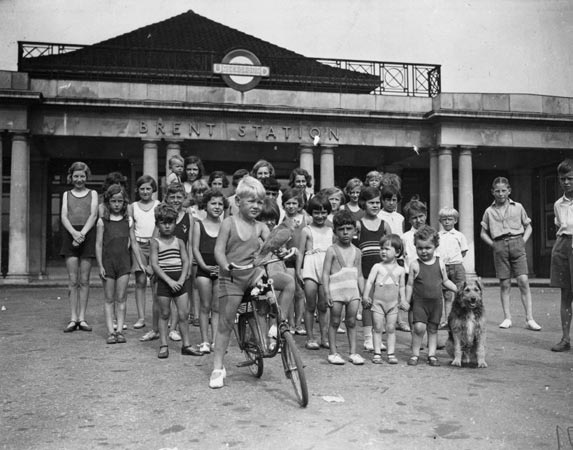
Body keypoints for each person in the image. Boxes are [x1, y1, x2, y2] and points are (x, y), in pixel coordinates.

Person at [209, 176, 270, 388]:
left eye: (260, 202)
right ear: (238, 202)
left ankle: (273, 330)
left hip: (252, 274)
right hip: (233, 276)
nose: (256, 206)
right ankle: (217, 367)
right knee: (225, 322)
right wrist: (225, 265)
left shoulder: (260, 226)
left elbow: (271, 245)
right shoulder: (228, 223)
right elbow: (218, 250)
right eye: (251, 201)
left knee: (285, 284)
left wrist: (283, 250)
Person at [480, 177, 541, 331]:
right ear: (492, 192)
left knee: (523, 280)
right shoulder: (489, 211)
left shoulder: (518, 207)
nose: (500, 194)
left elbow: (529, 227)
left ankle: (530, 318)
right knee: (505, 283)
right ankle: (507, 318)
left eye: (503, 190)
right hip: (500, 245)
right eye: (497, 191)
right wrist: (494, 244)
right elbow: (483, 233)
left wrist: (523, 241)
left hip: (517, 243)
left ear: (509, 191)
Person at [150, 203, 202, 359]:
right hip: (164, 283)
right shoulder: (155, 242)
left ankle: (186, 345)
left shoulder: (179, 241)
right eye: (163, 222)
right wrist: (168, 281)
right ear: (157, 224)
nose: (167, 226)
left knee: (184, 314)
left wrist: (182, 278)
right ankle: (164, 345)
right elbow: (154, 264)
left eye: (170, 222)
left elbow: (185, 261)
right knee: (164, 313)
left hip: (180, 281)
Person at [96, 185, 143, 344]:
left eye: (120, 201)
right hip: (108, 264)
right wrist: (100, 265)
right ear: (108, 202)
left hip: (124, 263)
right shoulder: (102, 222)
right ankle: (111, 332)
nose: (116, 204)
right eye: (113, 201)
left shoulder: (128, 220)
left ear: (124, 203)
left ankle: (120, 330)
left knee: (121, 298)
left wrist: (141, 263)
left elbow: (134, 243)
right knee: (109, 298)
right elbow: (98, 245)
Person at [404, 225, 457, 367]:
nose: (424, 251)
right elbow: (409, 285)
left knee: (433, 329)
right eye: (420, 248)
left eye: (428, 248)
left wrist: (457, 289)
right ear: (415, 247)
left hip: (436, 303)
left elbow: (445, 281)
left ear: (435, 247)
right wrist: (406, 301)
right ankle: (415, 354)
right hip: (420, 303)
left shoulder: (440, 263)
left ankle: (431, 354)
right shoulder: (414, 264)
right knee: (419, 328)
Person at [322, 210, 365, 365]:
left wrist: (364, 293)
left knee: (352, 321)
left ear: (354, 230)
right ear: (335, 231)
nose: (345, 232)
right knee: (334, 321)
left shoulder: (357, 252)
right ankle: (333, 352)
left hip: (352, 292)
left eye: (348, 228)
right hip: (337, 292)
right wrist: (326, 292)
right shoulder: (332, 250)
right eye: (341, 229)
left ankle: (353, 352)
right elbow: (325, 273)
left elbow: (359, 275)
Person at [61, 161, 99, 333]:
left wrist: (82, 234)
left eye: (82, 176)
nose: (79, 179)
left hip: (87, 234)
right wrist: (74, 234)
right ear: (71, 177)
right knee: (72, 280)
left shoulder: (93, 193)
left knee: (84, 280)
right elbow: (63, 216)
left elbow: (93, 214)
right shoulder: (66, 194)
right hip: (70, 234)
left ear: (86, 177)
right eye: (76, 176)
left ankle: (82, 318)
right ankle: (73, 317)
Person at [355, 187, 392, 351]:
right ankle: (368, 339)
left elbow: (391, 250)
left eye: (378, 202)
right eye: (371, 203)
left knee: (381, 305)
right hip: (364, 271)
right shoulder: (358, 224)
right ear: (363, 203)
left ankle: (378, 336)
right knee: (367, 303)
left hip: (382, 272)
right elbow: (354, 251)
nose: (375, 206)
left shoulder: (385, 225)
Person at [363, 234, 406, 364]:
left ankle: (391, 353)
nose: (383, 251)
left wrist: (403, 299)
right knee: (377, 327)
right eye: (381, 248)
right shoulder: (377, 267)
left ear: (397, 252)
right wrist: (365, 295)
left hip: (393, 304)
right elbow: (369, 282)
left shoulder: (400, 270)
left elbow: (402, 287)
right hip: (378, 303)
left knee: (391, 328)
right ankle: (377, 353)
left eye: (387, 249)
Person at [297, 195, 333, 350]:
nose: (320, 216)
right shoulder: (307, 230)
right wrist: (298, 270)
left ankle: (325, 337)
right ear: (311, 213)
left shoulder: (331, 230)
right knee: (310, 303)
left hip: (326, 268)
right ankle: (310, 337)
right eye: (316, 212)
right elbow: (300, 251)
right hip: (311, 266)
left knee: (324, 305)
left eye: (323, 212)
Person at [193, 189, 226, 354]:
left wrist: (222, 266)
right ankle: (205, 341)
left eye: (220, 204)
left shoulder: (225, 226)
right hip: (203, 270)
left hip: (220, 270)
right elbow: (195, 249)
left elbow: (227, 250)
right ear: (205, 205)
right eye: (213, 203)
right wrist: (204, 267)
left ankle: (216, 341)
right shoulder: (198, 224)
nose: (217, 206)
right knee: (205, 305)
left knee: (217, 307)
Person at [130, 175, 160, 330]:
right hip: (138, 246)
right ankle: (141, 317)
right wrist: (141, 262)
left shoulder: (158, 205)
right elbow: (132, 232)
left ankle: (158, 316)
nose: (145, 191)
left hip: (155, 245)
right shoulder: (133, 206)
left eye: (148, 188)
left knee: (156, 282)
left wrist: (153, 247)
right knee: (140, 281)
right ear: (138, 190)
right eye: (142, 188)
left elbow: (159, 227)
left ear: (153, 189)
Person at [550, 159, 573, 352]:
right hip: (563, 245)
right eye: (562, 179)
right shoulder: (558, 204)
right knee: (565, 294)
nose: (566, 182)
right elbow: (560, 226)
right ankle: (565, 338)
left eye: (570, 178)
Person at [282, 188, 311, 334]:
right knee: (291, 290)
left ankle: (299, 323)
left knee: (300, 292)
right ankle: (291, 323)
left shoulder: (306, 219)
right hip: (287, 258)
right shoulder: (282, 219)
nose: (291, 206)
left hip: (303, 257)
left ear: (299, 205)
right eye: (288, 203)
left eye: (294, 203)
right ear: (283, 205)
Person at [438, 207, 468, 329]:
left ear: (455, 220)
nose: (447, 222)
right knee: (446, 294)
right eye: (444, 219)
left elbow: (463, 252)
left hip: (457, 267)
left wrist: (455, 261)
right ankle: (447, 320)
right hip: (444, 267)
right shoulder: (438, 235)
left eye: (450, 219)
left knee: (460, 292)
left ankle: (461, 320)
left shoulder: (459, 235)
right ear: (440, 221)